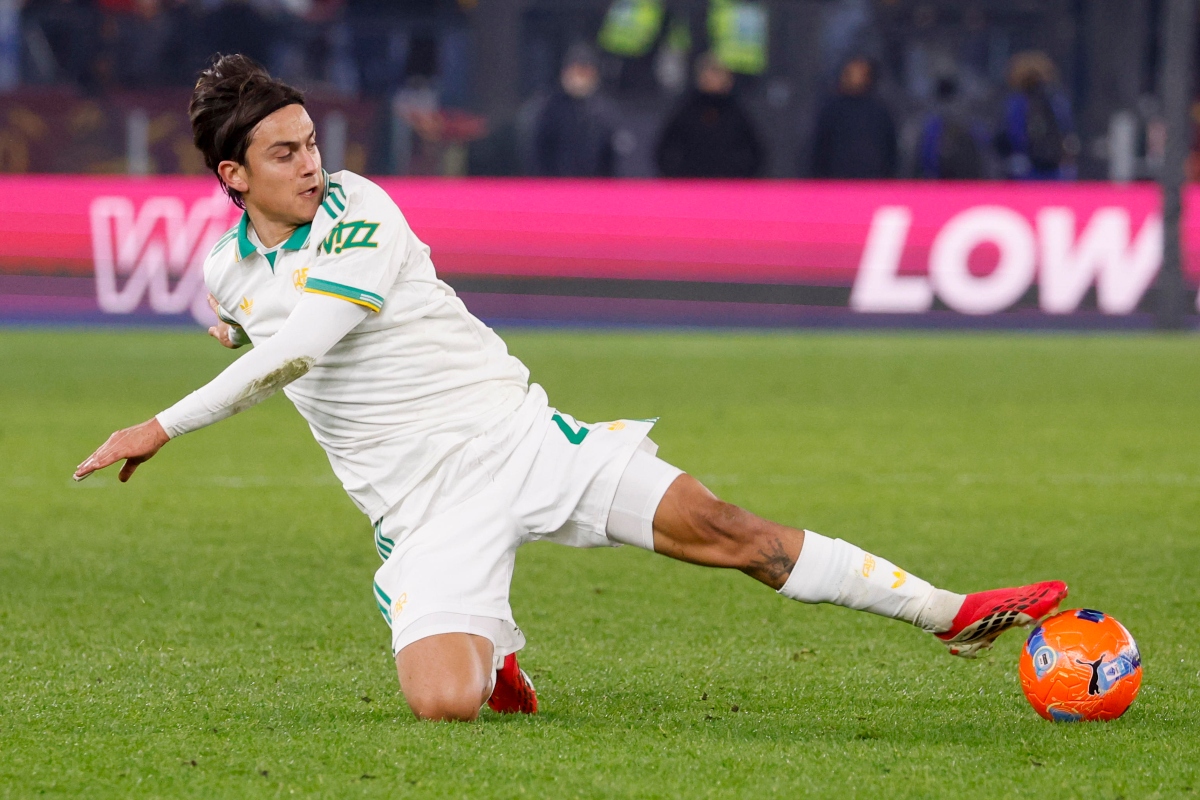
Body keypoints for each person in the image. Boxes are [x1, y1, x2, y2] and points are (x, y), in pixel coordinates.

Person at [75, 55, 1068, 723]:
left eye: (311, 143)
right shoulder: (226, 272)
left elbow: (299, 347)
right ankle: (493, 650)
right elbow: (253, 322)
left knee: (733, 531)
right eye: (285, 153)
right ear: (233, 176)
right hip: (422, 508)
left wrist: (161, 423)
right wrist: (229, 326)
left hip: (520, 439)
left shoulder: (360, 208)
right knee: (445, 704)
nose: (311, 165)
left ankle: (952, 611)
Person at [655, 52, 763, 178]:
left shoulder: (736, 112)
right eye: (708, 72)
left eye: (718, 73)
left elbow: (756, 152)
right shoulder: (687, 110)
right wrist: (678, 177)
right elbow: (664, 150)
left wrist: (740, 177)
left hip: (727, 184)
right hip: (692, 183)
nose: (712, 78)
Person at [533, 43, 618, 177]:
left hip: (594, 185)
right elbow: (539, 153)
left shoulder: (604, 111)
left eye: (585, 73)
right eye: (576, 72)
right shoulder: (550, 108)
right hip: (557, 184)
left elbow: (611, 158)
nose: (579, 79)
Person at [811, 57, 897, 179]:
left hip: (873, 182)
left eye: (861, 72)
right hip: (836, 182)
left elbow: (890, 149)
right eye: (851, 72)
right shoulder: (832, 109)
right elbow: (819, 148)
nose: (856, 77)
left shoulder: (879, 111)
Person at [995, 51, 1074, 181]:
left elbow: (1014, 135)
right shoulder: (1057, 100)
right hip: (1054, 169)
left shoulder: (1016, 102)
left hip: (1024, 169)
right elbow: (1067, 130)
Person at [917, 75, 986, 180]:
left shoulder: (968, 123)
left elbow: (984, 144)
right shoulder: (933, 126)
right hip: (949, 180)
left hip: (959, 179)